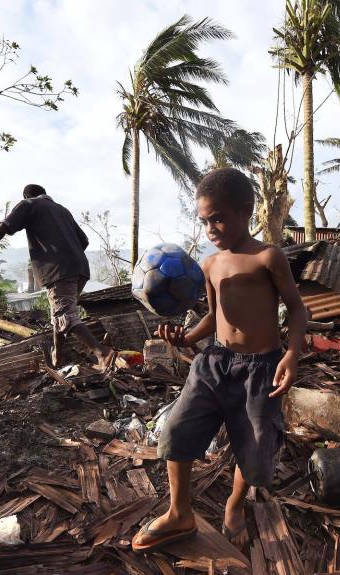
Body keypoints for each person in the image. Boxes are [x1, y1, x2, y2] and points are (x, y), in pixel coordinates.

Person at [130, 167, 308, 552]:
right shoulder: (209, 264)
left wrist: (292, 354)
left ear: (245, 211)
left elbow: (296, 309)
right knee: (176, 431)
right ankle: (180, 513)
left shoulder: (267, 257)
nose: (211, 228)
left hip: (261, 370)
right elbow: (213, 317)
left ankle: (234, 504)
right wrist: (185, 337)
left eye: (218, 218)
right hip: (214, 363)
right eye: (204, 221)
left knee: (255, 446)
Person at [0, 184, 116, 369]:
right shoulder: (63, 210)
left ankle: (102, 353)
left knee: (65, 315)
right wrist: (68, 254)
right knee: (59, 315)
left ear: (25, 196)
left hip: (58, 271)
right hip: (80, 268)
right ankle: (58, 357)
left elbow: (4, 227)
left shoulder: (28, 204)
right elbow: (84, 241)